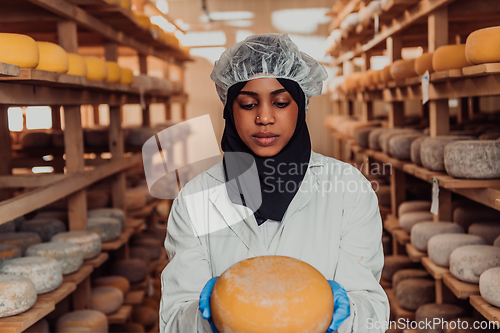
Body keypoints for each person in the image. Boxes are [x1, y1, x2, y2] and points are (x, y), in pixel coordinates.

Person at [160, 33, 389, 333]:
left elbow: (371, 311)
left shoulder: (349, 191)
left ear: (301, 106)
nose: (264, 117)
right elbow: (175, 318)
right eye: (248, 104)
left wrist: (343, 315)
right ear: (230, 110)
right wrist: (206, 319)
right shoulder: (195, 200)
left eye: (280, 103)